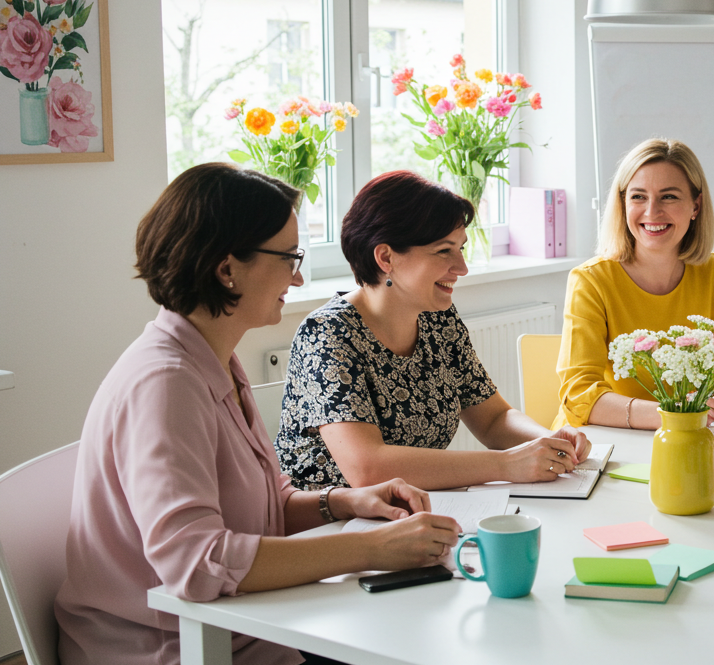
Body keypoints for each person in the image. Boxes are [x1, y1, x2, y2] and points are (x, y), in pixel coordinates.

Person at [55, 164, 460, 665]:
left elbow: (265, 507)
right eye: (289, 257)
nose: (298, 275)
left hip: (250, 630)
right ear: (228, 269)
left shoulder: (214, 358)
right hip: (174, 648)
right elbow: (197, 563)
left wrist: (347, 503)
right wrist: (374, 548)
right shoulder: (166, 383)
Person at [277, 171, 591, 492]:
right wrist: (507, 463)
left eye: (461, 249)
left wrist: (548, 438)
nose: (461, 268)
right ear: (386, 257)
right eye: (444, 251)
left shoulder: (437, 317)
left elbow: (493, 418)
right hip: (330, 523)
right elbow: (367, 469)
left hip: (413, 508)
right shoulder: (328, 333)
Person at [554, 138, 714, 430]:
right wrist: (674, 414)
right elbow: (578, 394)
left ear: (695, 206)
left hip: (700, 436)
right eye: (638, 197)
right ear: (622, 204)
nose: (652, 212)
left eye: (669, 197)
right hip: (606, 443)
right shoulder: (591, 280)